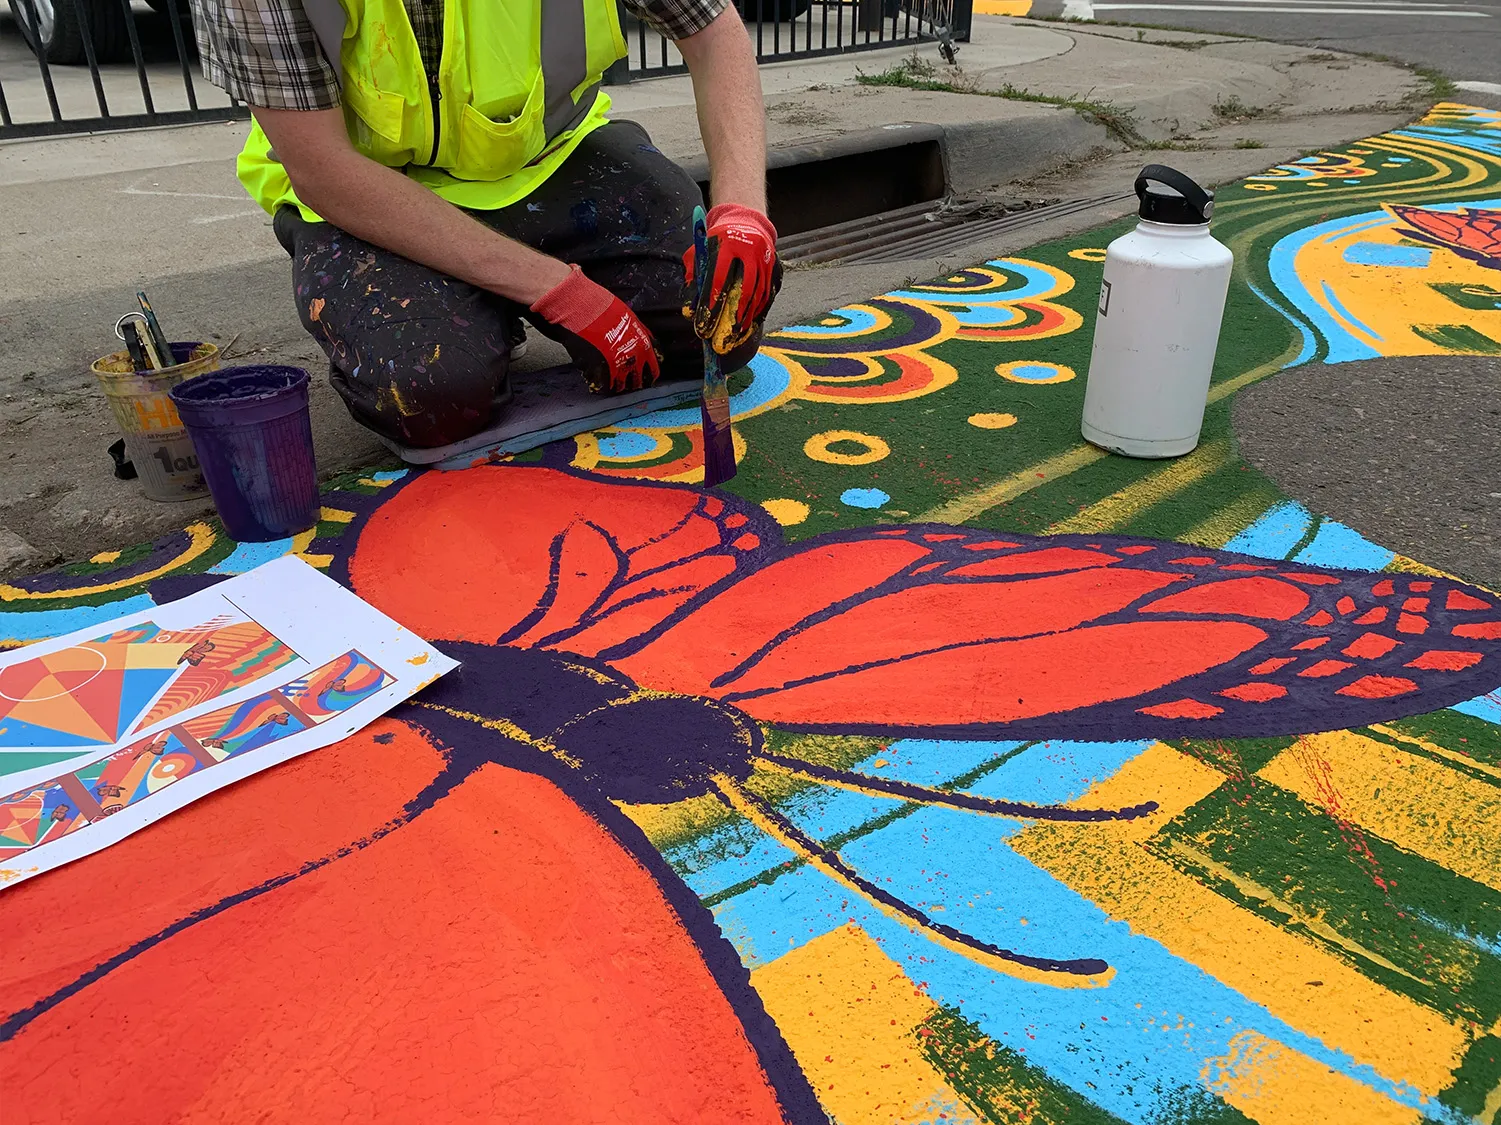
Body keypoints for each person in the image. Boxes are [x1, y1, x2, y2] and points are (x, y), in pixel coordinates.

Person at [189, 0, 783, 449]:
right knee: (429, 396)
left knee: (715, 327)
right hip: (373, 195)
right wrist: (556, 292)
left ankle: (481, 302)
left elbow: (713, 32)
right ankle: (483, 303)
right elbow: (323, 167)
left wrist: (742, 214)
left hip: (550, 159)